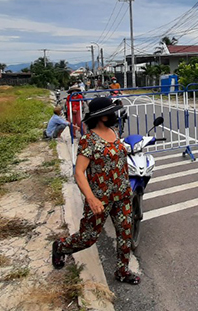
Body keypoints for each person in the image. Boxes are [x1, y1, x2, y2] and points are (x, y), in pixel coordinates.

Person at [51, 97, 141, 284]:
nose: (115, 114)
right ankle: (60, 246)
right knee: (88, 238)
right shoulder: (89, 140)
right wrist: (91, 198)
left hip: (122, 195)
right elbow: (79, 172)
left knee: (125, 233)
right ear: (103, 117)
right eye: (111, 112)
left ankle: (122, 271)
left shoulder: (114, 132)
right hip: (100, 199)